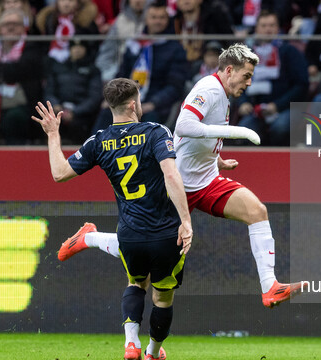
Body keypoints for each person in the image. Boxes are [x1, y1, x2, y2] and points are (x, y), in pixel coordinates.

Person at [58, 44, 302, 309]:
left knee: (257, 211)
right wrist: (239, 132)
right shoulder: (208, 89)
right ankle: (88, 238)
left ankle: (270, 288)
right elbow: (184, 126)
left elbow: (197, 136)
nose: (249, 82)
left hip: (206, 180)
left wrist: (215, 157)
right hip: (178, 186)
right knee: (145, 246)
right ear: (229, 70)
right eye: (246, 75)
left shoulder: (222, 93)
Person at [32, 78, 193, 360]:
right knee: (162, 296)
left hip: (129, 235)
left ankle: (131, 344)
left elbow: (59, 173)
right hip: (165, 233)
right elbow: (171, 174)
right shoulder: (155, 132)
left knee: (135, 285)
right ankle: (153, 352)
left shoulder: (100, 140)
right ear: (133, 104)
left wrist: (53, 134)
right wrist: (186, 221)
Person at [91, 1, 188, 131]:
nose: (158, 21)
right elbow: (121, 75)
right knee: (106, 114)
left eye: (162, 18)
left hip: (156, 105)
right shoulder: (134, 44)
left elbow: (175, 86)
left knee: (148, 122)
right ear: (146, 19)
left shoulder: (176, 49)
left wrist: (153, 103)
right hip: (128, 100)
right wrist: (111, 98)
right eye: (154, 17)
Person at [235, 10, 309, 146]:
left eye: (271, 25)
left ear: (277, 28)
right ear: (256, 28)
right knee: (244, 132)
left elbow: (302, 85)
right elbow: (238, 82)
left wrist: (277, 105)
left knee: (280, 128)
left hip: (286, 108)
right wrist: (243, 102)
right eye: (263, 26)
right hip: (256, 110)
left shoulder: (290, 51)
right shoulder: (247, 54)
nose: (268, 29)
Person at [0, 9, 46, 145]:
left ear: (23, 27)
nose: (11, 27)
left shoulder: (32, 46)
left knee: (14, 118)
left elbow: (21, 69)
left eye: (15, 23)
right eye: (6, 24)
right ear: (0, 28)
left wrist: (5, 70)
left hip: (23, 103)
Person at [44, 36, 102, 144]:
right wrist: (55, 105)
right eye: (74, 47)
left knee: (78, 126)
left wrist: (75, 111)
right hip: (58, 110)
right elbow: (49, 91)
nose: (77, 49)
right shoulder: (58, 68)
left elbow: (94, 97)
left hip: (81, 113)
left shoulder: (93, 70)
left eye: (81, 47)